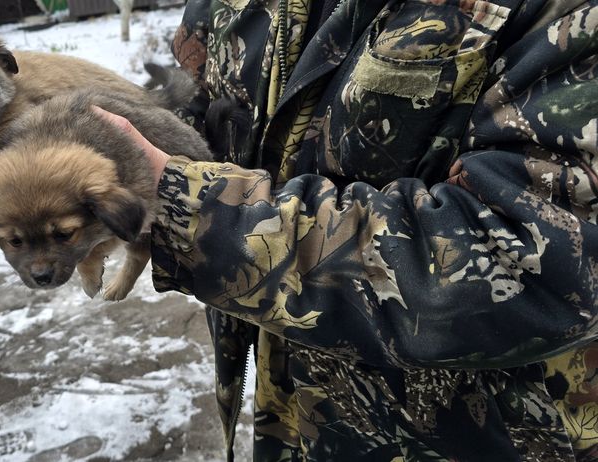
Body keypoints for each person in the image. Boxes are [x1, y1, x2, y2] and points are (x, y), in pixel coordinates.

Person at [96, 0, 598, 460]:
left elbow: (541, 263)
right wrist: (95, 155)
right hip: (288, 417)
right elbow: (209, 104)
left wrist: (199, 212)